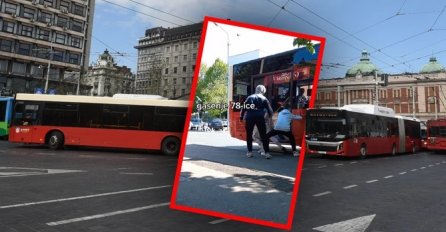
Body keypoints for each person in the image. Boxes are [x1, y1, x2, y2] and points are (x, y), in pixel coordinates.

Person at [240, 85, 273, 159]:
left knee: (249, 135)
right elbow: (270, 110)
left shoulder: (249, 97)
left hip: (250, 117)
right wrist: (269, 117)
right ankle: (267, 153)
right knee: (263, 135)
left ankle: (249, 152)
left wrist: (241, 117)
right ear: (263, 91)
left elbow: (243, 108)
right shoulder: (264, 98)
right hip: (260, 117)